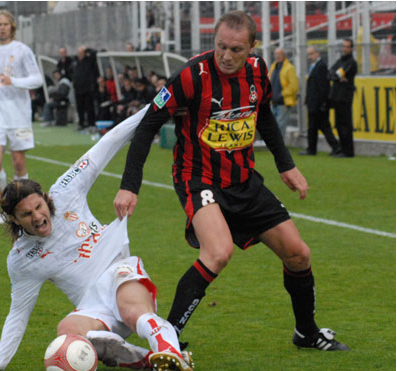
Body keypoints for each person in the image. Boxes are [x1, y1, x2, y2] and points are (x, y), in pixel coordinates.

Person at [114, 11, 349, 353]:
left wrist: (287, 165)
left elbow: (264, 115)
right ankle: (167, 342)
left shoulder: (258, 71)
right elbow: (148, 124)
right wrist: (129, 185)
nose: (225, 55)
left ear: (252, 47)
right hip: (199, 178)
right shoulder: (191, 75)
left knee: (298, 254)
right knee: (218, 252)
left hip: (243, 180)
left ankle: (307, 332)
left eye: (235, 49)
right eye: (220, 46)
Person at [0, 106, 197, 371]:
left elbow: (108, 142)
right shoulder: (22, 260)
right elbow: (18, 313)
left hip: (121, 273)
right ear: (14, 220)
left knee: (133, 311)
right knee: (66, 333)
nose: (37, 216)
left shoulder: (66, 190)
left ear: (45, 198)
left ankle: (170, 353)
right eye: (26, 214)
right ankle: (152, 360)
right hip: (94, 308)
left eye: (38, 206)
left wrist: (155, 107)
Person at [0, 10, 44, 223]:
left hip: (18, 114)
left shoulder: (22, 50)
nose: (2, 28)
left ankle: (21, 206)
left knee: (17, 163)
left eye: (6, 24)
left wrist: (14, 81)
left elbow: (37, 80)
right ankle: (4, 206)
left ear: (12, 27)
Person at [300, 46, 341, 156]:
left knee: (317, 127)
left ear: (317, 54)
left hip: (318, 103)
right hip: (313, 102)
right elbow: (313, 86)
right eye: (308, 54)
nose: (309, 57)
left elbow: (323, 86)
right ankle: (334, 147)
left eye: (311, 54)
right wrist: (307, 98)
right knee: (320, 127)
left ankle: (314, 149)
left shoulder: (321, 66)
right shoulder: (315, 66)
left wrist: (322, 102)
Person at [329, 39, 357, 158]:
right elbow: (330, 73)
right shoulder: (341, 60)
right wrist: (336, 76)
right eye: (343, 46)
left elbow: (335, 76)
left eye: (347, 47)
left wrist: (336, 76)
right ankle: (342, 149)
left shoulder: (351, 62)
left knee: (345, 125)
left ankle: (348, 151)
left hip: (345, 97)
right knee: (339, 124)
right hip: (337, 97)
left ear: (351, 48)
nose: (344, 49)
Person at [269, 48, 298, 139]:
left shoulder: (289, 68)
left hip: (284, 101)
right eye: (276, 54)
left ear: (284, 55)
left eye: (280, 54)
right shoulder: (274, 66)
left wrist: (282, 94)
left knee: (280, 124)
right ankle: (276, 143)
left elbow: (294, 85)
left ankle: (279, 145)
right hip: (274, 101)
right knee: (275, 124)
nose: (277, 56)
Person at [72, 46, 99, 131]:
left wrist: (86, 49)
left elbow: (95, 52)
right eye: (79, 53)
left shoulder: (89, 61)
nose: (80, 55)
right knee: (80, 108)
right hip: (78, 89)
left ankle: (91, 124)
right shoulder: (75, 62)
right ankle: (81, 123)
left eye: (81, 53)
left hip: (87, 89)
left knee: (89, 107)